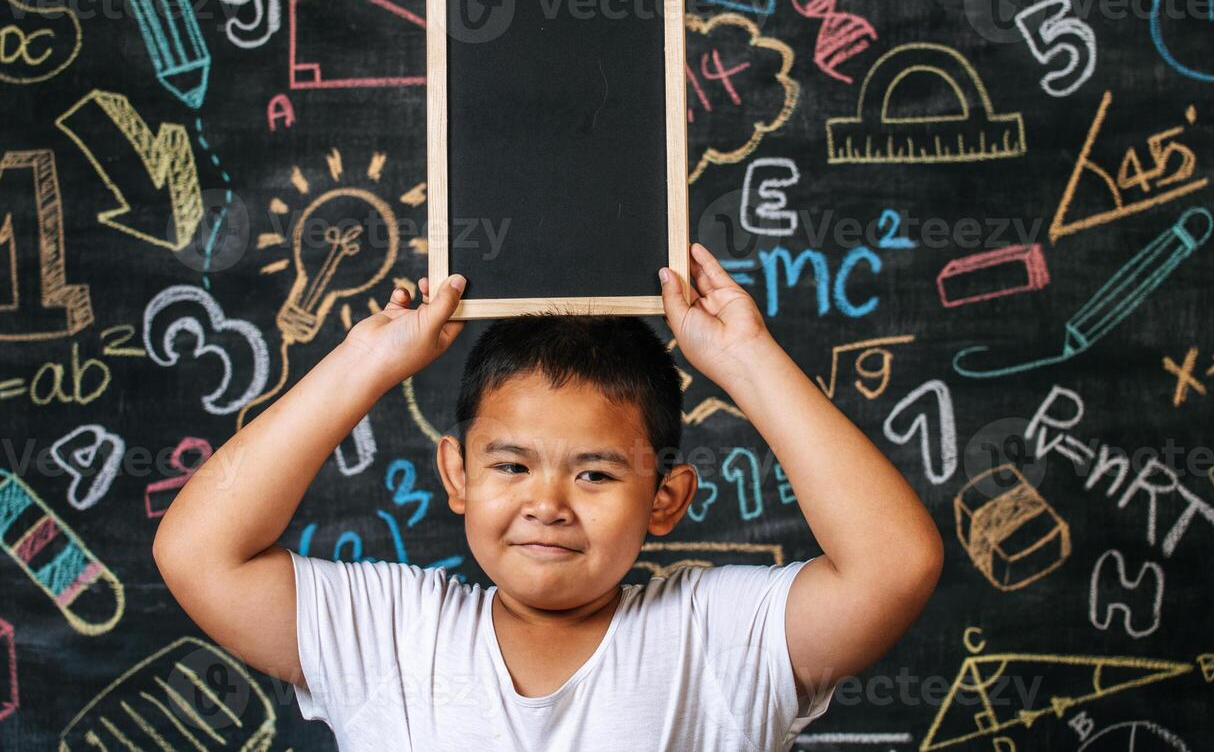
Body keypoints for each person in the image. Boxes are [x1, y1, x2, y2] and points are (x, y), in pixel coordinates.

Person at [153, 241, 944, 749]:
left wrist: (744, 359)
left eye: (595, 473)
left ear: (665, 500)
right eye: (510, 467)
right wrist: (365, 362)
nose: (549, 504)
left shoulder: (718, 636)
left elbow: (893, 565)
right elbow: (197, 552)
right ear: (457, 475)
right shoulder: (391, 635)